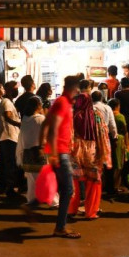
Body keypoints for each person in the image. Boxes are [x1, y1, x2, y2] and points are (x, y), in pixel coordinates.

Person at [40, 75, 81, 239]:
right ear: (74, 88)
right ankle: (60, 227)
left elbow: (45, 124)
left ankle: (36, 204)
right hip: (61, 152)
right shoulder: (63, 103)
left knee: (59, 186)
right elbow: (54, 127)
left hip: (60, 151)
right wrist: (55, 153)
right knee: (68, 190)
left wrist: (41, 144)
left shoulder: (60, 102)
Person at [70, 80, 104, 220]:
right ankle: (91, 212)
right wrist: (104, 153)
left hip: (74, 152)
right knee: (93, 183)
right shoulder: (96, 116)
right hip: (92, 152)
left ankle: (71, 209)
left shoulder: (71, 116)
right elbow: (102, 135)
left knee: (73, 182)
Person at [17, 96, 48, 217]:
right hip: (38, 152)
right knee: (43, 179)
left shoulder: (25, 118)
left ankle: (31, 200)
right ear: (38, 106)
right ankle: (49, 200)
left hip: (27, 152)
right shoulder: (40, 119)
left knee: (31, 179)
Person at [0, 80, 21, 198]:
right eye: (15, 88)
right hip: (9, 137)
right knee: (10, 164)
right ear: (10, 89)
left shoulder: (8, 101)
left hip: (8, 137)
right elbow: (7, 117)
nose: (17, 90)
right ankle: (9, 189)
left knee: (6, 163)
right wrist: (18, 124)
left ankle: (4, 187)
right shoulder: (7, 102)